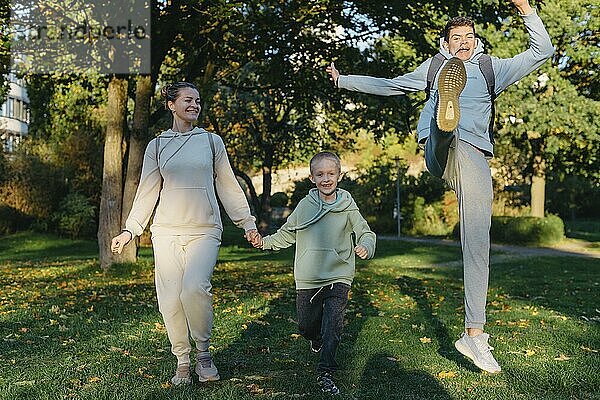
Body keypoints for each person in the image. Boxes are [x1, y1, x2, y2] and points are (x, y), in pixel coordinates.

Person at [326, 0, 554, 373]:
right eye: (455, 38)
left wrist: (527, 9)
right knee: (443, 134)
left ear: (476, 41)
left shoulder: (491, 68)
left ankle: (474, 335)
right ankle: (444, 122)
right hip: (438, 151)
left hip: (474, 156)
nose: (463, 42)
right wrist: (343, 80)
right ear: (447, 45)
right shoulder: (434, 67)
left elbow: (542, 51)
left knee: (478, 236)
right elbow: (391, 86)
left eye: (469, 37)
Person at [110, 82, 260, 385]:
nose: (195, 105)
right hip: (165, 232)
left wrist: (248, 223)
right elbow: (147, 191)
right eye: (188, 100)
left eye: (198, 100)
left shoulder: (211, 142)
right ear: (171, 105)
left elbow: (228, 186)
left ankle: (203, 353)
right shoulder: (157, 145)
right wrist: (130, 229)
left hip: (204, 229)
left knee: (194, 288)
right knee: (169, 299)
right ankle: (182, 361)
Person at [250, 152, 376, 395]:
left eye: (331, 174)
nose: (326, 179)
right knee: (307, 326)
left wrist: (366, 246)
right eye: (320, 174)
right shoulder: (305, 206)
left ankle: (326, 371)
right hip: (308, 278)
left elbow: (365, 232)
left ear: (339, 176)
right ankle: (315, 340)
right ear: (312, 178)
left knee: (333, 326)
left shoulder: (348, 206)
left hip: (339, 275)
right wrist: (264, 243)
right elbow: (288, 233)